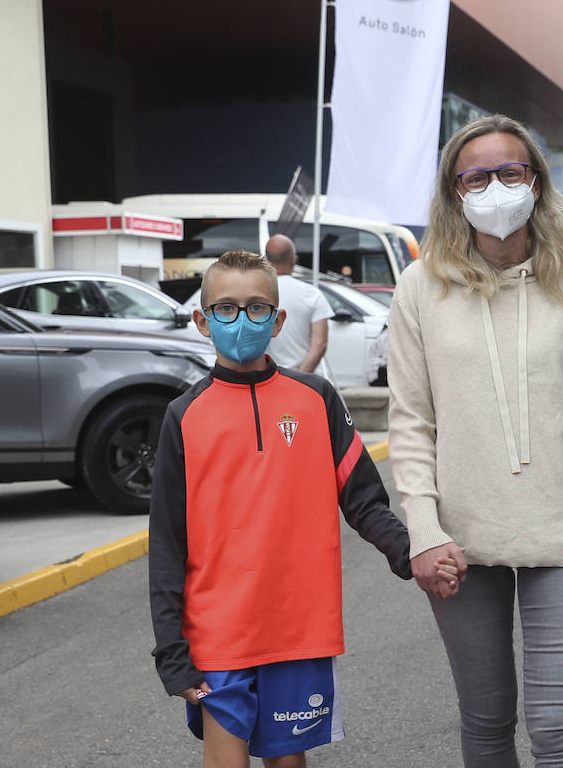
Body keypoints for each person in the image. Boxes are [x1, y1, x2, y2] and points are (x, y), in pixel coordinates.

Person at [387, 115, 563, 767]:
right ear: (455, 192)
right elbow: (410, 423)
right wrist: (423, 530)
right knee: (485, 723)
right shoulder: (419, 289)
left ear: (537, 183)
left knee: (559, 730)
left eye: (511, 171)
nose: (495, 187)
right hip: (459, 538)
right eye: (476, 176)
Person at [148, 249, 419, 767]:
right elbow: (167, 542)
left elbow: (363, 500)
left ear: (278, 321)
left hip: (298, 630)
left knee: (288, 763)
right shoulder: (182, 416)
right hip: (217, 633)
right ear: (203, 322)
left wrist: (414, 552)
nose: (242, 319)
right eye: (225, 308)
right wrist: (171, 651)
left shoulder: (316, 398)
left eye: (257, 308)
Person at [265, 234, 331, 375]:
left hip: (264, 379)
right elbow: (320, 345)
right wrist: (299, 377)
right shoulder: (312, 294)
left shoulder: (255, 293)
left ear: (266, 261)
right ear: (294, 260)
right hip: (302, 380)